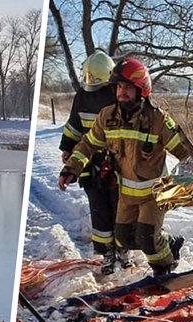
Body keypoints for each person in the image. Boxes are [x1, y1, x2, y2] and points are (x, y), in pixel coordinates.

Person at [58, 57, 188, 276]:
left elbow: (185, 152)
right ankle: (168, 242)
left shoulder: (157, 119)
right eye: (119, 86)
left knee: (147, 238)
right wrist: (72, 168)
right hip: (126, 195)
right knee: (124, 238)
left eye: (128, 87)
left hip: (154, 194)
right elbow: (88, 144)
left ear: (141, 89)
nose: (122, 92)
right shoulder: (107, 116)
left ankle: (164, 268)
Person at [60, 50, 133, 275]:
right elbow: (74, 126)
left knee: (120, 210)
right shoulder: (82, 96)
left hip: (118, 165)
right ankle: (107, 254)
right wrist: (67, 149)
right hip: (89, 163)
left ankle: (123, 251)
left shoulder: (118, 95)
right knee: (99, 210)